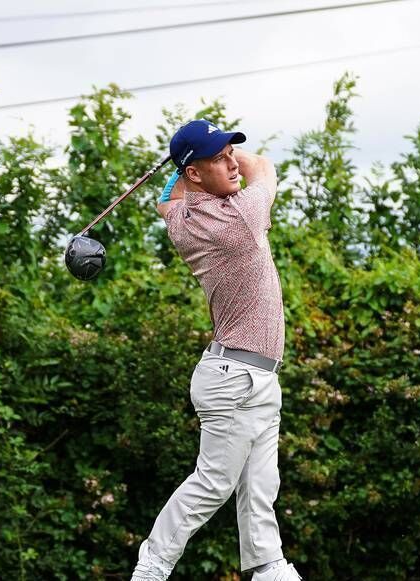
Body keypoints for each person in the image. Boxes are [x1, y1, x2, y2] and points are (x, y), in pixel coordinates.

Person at [130, 119, 300, 581]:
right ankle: (151, 569)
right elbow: (262, 165)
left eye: (230, 152)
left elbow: (167, 202)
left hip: (251, 375)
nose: (231, 162)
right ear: (194, 175)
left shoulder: (182, 221)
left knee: (260, 486)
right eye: (219, 157)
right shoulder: (239, 215)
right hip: (237, 377)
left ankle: (269, 569)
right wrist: (224, 158)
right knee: (214, 483)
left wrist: (196, 158)